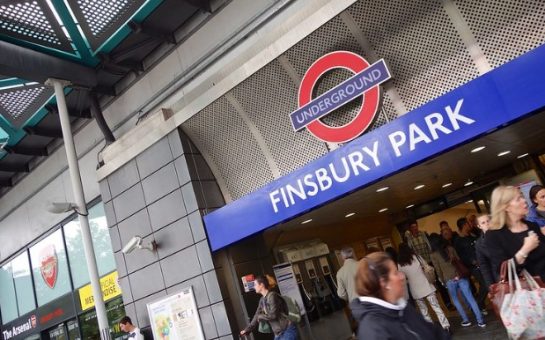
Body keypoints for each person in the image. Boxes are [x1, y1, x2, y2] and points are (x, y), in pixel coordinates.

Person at [350, 252, 450, 340]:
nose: (402, 276)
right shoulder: (373, 330)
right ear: (384, 283)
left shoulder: (403, 307)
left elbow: (432, 332)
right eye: (395, 273)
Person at [485, 185, 545, 281]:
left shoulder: (532, 226)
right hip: (530, 291)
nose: (524, 200)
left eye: (522, 196)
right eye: (518, 199)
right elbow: (503, 272)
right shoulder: (494, 235)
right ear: (506, 207)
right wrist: (525, 249)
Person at [429, 234, 486, 328]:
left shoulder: (433, 255)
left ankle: (466, 320)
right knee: (470, 298)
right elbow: (459, 261)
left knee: (455, 300)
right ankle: (480, 321)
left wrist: (443, 281)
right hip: (461, 276)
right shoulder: (450, 248)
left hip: (449, 280)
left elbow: (438, 270)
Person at [397, 243, 450, 332]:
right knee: (436, 307)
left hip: (415, 290)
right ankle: (446, 327)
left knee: (424, 312)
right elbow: (427, 267)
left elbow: (402, 277)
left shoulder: (400, 264)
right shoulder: (417, 257)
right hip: (427, 286)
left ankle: (431, 330)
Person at [240, 275, 297, 340]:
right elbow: (256, 316)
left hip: (287, 331)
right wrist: (247, 330)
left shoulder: (272, 296)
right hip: (278, 334)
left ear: (261, 285)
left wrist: (260, 316)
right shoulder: (262, 300)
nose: (254, 287)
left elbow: (273, 315)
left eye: (255, 284)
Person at [453, 217, 488, 313]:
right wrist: (472, 261)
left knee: (485, 284)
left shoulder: (472, 236)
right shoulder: (458, 240)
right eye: (468, 223)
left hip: (482, 264)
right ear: (464, 225)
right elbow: (460, 256)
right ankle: (478, 305)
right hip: (473, 267)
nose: (470, 225)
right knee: (485, 284)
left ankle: (480, 306)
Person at [475, 214, 496, 287]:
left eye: (488, 221)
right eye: (483, 223)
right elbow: (484, 266)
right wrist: (491, 285)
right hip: (498, 276)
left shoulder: (501, 233)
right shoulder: (479, 244)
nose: (487, 224)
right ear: (479, 226)